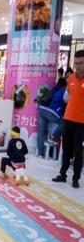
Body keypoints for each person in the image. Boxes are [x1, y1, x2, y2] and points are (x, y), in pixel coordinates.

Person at [52, 49, 84, 188]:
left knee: (77, 151)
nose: (78, 66)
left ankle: (76, 178)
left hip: (81, 122)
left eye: (81, 63)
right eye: (76, 63)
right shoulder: (71, 78)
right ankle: (63, 174)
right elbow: (67, 97)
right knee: (66, 149)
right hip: (68, 119)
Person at [36, 78, 66, 158]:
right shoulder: (64, 90)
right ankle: (53, 137)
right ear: (65, 85)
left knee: (41, 131)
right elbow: (66, 101)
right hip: (52, 112)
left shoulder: (53, 88)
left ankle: (40, 153)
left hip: (42, 109)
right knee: (65, 122)